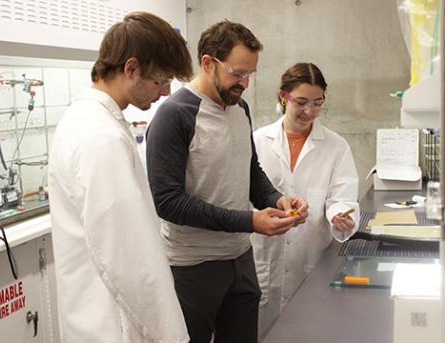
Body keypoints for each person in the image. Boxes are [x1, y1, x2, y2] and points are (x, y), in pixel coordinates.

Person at [146, 20, 308, 343]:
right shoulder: (173, 116)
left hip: (240, 261)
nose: (244, 83)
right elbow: (168, 202)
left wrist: (277, 200)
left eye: (250, 74)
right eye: (237, 73)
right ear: (208, 63)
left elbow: (249, 172)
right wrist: (249, 221)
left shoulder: (240, 109)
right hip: (192, 268)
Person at [48, 12, 193, 343]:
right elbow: (127, 255)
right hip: (114, 324)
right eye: (160, 80)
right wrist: (172, 335)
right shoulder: (100, 136)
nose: (165, 92)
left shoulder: (88, 120)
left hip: (95, 315)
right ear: (131, 68)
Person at [251, 62, 360, 337]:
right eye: (301, 102)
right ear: (282, 96)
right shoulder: (257, 141)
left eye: (317, 103)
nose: (309, 111)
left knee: (311, 333)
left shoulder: (336, 146)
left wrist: (339, 215)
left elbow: (342, 195)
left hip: (311, 261)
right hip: (265, 259)